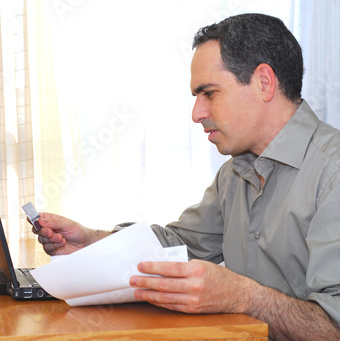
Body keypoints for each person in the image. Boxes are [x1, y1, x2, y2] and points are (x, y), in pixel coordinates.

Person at [33, 13, 340, 340]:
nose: (197, 114)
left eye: (209, 93)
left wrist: (243, 296)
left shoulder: (332, 173)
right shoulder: (234, 173)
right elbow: (179, 246)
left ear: (264, 82)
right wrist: (91, 240)